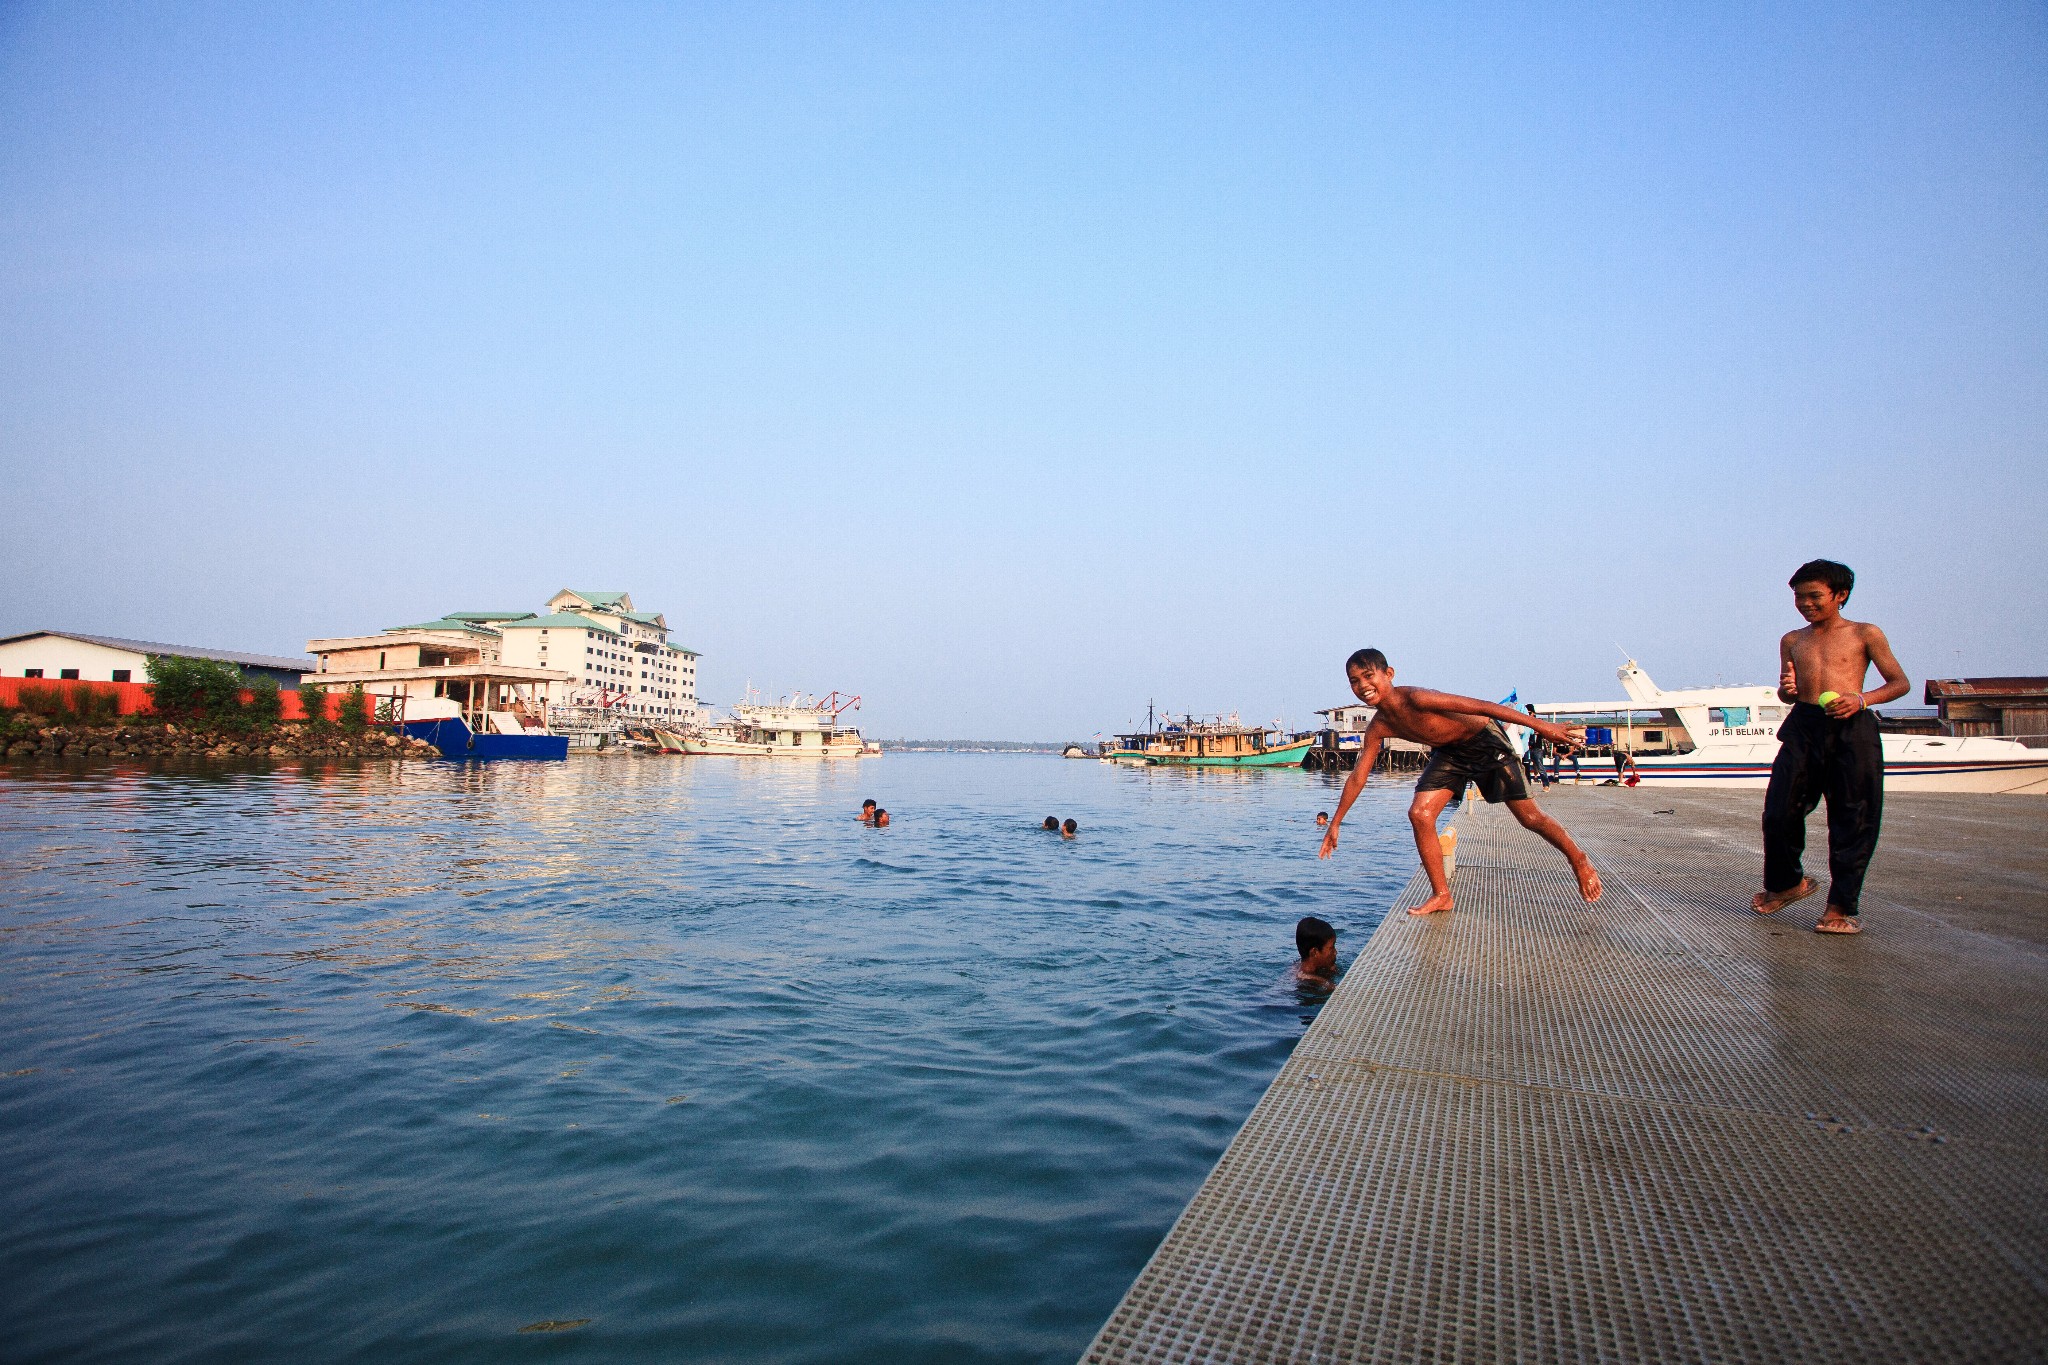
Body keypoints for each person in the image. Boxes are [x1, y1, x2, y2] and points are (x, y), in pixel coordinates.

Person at [1318, 648, 1602, 914]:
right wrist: (1337, 821)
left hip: (1485, 743)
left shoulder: (1418, 698)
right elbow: (1358, 776)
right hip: (1451, 754)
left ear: (1388, 674)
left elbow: (1485, 707)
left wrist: (1545, 727)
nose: (1362, 686)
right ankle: (1442, 895)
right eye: (1354, 681)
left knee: (1529, 818)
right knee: (1420, 814)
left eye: (1369, 676)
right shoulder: (1379, 726)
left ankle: (1578, 859)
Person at [1753, 559, 1908, 935]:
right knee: (1779, 812)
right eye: (1798, 597)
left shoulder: (1865, 634)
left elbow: (1899, 682)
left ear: (1840, 595)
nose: (1805, 603)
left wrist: (1862, 699)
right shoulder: (1792, 639)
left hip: (1852, 726)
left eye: (1814, 596)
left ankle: (1841, 907)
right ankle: (1788, 883)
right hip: (1805, 725)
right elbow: (1787, 692)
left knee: (1853, 819)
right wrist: (1786, 692)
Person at [1295, 915, 1338, 983]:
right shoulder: (1305, 981)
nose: (1335, 952)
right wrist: (1325, 983)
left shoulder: (1302, 966)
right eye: (1331, 948)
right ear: (1314, 952)